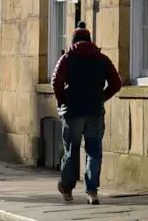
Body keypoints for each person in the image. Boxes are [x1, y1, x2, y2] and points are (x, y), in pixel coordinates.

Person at [51, 21, 122, 205]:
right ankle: (92, 191)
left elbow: (55, 82)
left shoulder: (67, 58)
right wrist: (101, 98)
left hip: (72, 112)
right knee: (94, 151)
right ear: (90, 39)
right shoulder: (102, 59)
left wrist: (63, 100)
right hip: (94, 112)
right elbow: (116, 83)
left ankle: (67, 188)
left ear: (74, 39)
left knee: (71, 150)